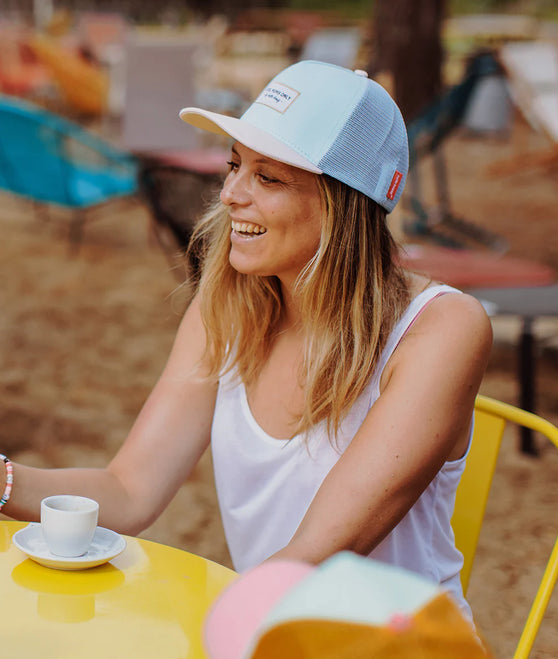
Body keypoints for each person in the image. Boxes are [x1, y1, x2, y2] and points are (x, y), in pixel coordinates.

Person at [0, 61, 492, 619]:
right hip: (273, 633)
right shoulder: (227, 308)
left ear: (343, 202)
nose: (231, 193)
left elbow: (317, 555)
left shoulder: (440, 331)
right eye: (235, 166)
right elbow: (128, 489)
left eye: (268, 176)